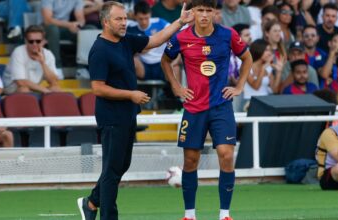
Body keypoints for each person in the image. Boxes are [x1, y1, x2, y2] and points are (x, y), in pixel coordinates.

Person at [76, 1, 193, 220]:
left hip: (128, 114)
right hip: (111, 117)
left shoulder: (126, 40)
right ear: (105, 21)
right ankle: (107, 216)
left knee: (122, 165)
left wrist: (180, 21)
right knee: (112, 171)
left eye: (124, 18)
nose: (123, 22)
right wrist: (130, 94)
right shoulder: (99, 49)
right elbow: (97, 88)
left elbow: (155, 40)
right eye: (118, 19)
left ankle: (91, 202)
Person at [161, 0, 252, 219]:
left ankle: (225, 214)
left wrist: (239, 86)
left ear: (214, 12)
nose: (203, 15)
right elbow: (165, 60)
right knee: (191, 161)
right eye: (200, 10)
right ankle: (189, 214)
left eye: (208, 10)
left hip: (221, 107)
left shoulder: (228, 34)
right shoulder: (181, 37)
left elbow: (247, 58)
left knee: (226, 155)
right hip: (193, 108)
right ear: (193, 12)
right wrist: (176, 87)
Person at [2, 25, 60, 94]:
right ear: (26, 41)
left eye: (38, 41)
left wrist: (43, 63)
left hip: (33, 88)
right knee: (24, 90)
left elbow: (54, 81)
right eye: (31, 41)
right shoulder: (18, 52)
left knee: (56, 89)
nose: (34, 44)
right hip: (12, 89)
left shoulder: (48, 54)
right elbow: (21, 82)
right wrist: (45, 90)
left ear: (43, 41)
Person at [127, 0, 170, 80]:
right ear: (135, 16)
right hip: (143, 66)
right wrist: (155, 42)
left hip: (161, 63)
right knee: (130, 59)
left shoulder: (160, 22)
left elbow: (175, 33)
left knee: (175, 62)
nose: (144, 22)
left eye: (146, 18)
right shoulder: (130, 28)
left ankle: (173, 91)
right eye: (140, 19)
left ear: (150, 14)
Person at [41, 0, 86, 67]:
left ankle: (82, 68)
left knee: (87, 30)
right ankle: (56, 67)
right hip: (46, 28)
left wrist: (77, 26)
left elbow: (80, 18)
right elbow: (48, 20)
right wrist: (69, 25)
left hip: (65, 27)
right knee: (53, 29)